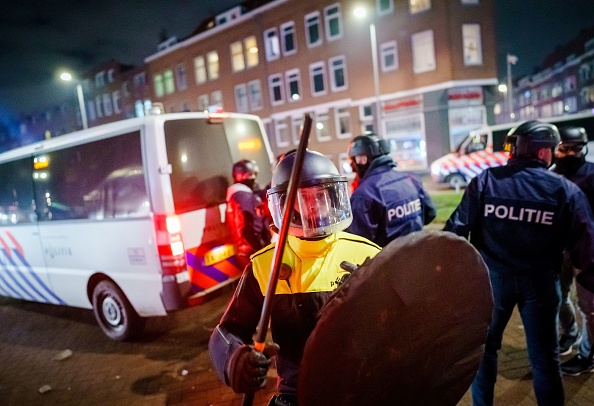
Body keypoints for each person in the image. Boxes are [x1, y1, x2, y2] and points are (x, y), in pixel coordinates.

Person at [209, 150, 381, 405]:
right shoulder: (265, 265)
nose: (313, 206)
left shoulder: (367, 254)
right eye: (302, 199)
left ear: (334, 198)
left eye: (320, 196)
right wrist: (235, 360)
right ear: (284, 205)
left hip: (360, 389)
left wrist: (374, 299)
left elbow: (402, 326)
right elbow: (228, 330)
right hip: (297, 394)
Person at [443, 120, 594, 405]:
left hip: (492, 282)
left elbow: (456, 230)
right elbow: (586, 247)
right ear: (542, 153)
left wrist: (453, 281)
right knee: (545, 359)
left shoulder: (485, 181)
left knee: (485, 350)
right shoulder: (565, 191)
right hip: (540, 284)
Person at [346, 133, 436, 247]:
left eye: (352, 161)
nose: (352, 167)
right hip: (418, 255)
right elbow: (430, 213)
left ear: (362, 159)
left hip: (387, 262)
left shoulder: (364, 194)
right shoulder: (411, 179)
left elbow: (357, 244)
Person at [553, 125, 594, 375]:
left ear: (584, 148)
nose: (569, 154)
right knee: (556, 295)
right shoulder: (550, 177)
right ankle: (569, 333)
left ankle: (588, 354)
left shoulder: (592, 175)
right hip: (559, 249)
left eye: (575, 149)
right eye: (563, 149)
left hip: (588, 248)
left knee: (589, 306)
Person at [226, 159, 272, 267]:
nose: (253, 179)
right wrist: (260, 248)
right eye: (250, 175)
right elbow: (247, 226)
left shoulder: (240, 193)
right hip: (252, 250)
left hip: (248, 249)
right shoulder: (242, 195)